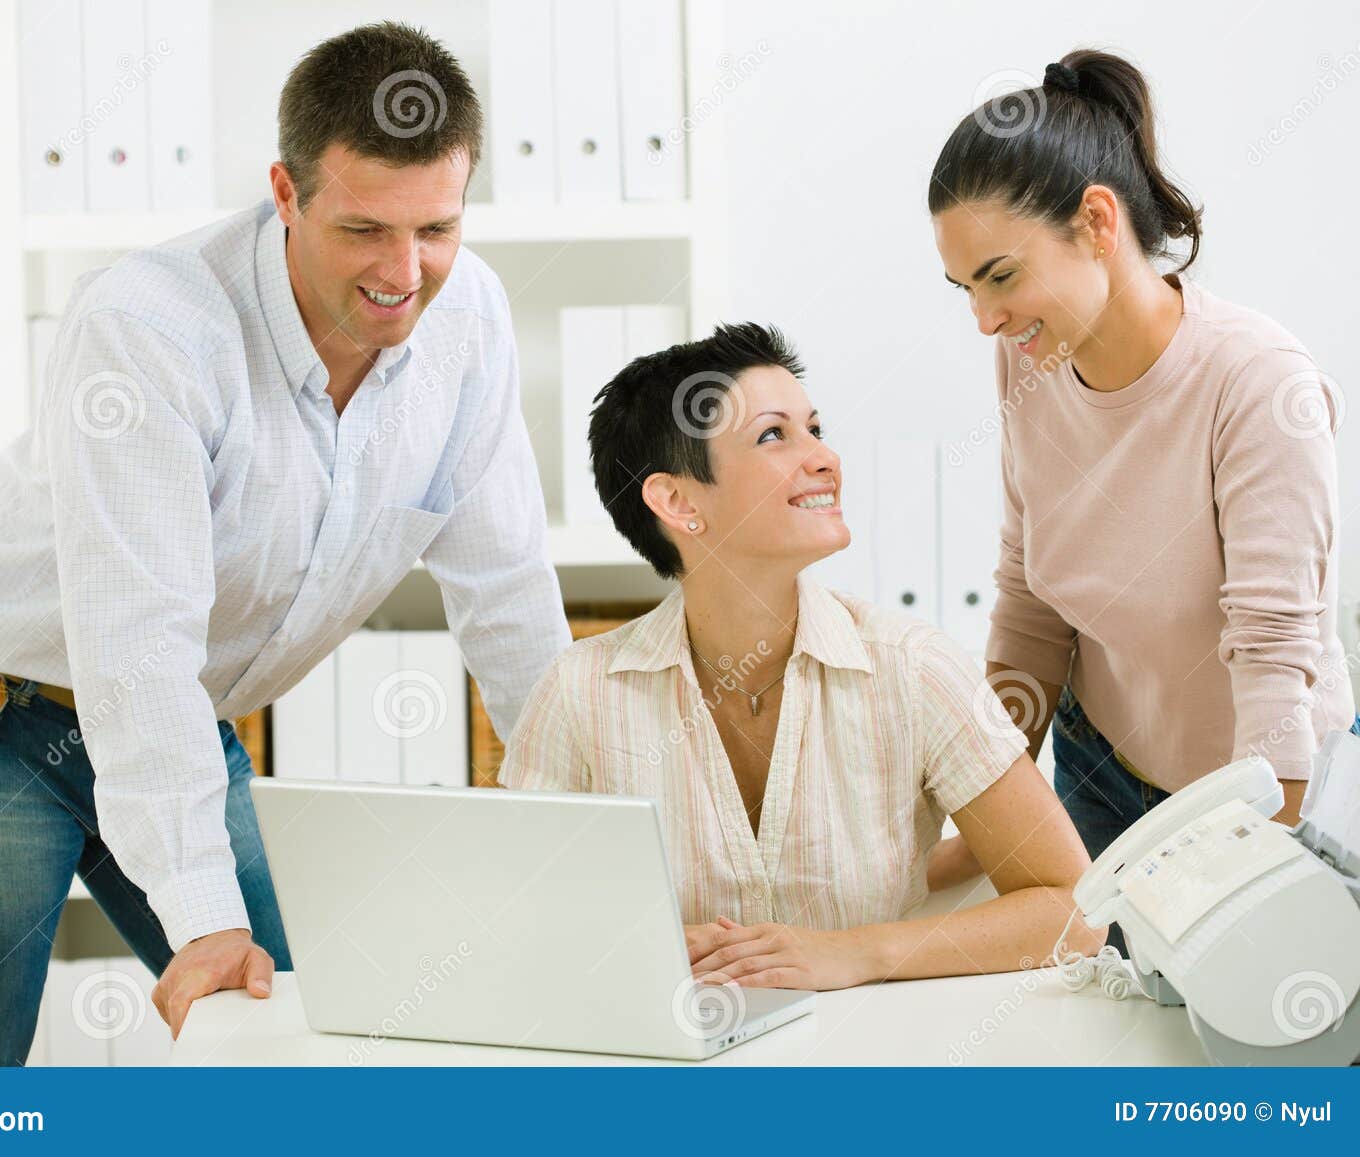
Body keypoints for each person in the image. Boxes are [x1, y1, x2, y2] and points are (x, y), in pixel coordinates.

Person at [0, 22, 569, 1064]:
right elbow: (136, 636)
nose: (403, 271)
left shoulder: (467, 318)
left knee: (305, 1026)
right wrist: (201, 913)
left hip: (178, 718)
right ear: (285, 194)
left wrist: (586, 816)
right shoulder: (151, 327)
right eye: (365, 229)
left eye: (434, 228)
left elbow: (506, 586)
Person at [499, 323, 1103, 989]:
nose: (823, 458)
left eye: (815, 429)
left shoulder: (913, 668)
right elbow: (513, 923)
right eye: (773, 435)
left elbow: (1075, 910)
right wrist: (646, 944)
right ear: (677, 501)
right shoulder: (578, 693)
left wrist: (855, 952)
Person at [925, 50, 1358, 953]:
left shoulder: (1255, 382)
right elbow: (1030, 595)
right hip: (1101, 764)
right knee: (1106, 1042)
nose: (984, 321)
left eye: (1001, 276)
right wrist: (990, 793)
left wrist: (1242, 873)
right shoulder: (1030, 359)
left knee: (1254, 1052)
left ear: (1095, 221)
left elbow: (1275, 648)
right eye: (966, 289)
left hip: (1266, 788)